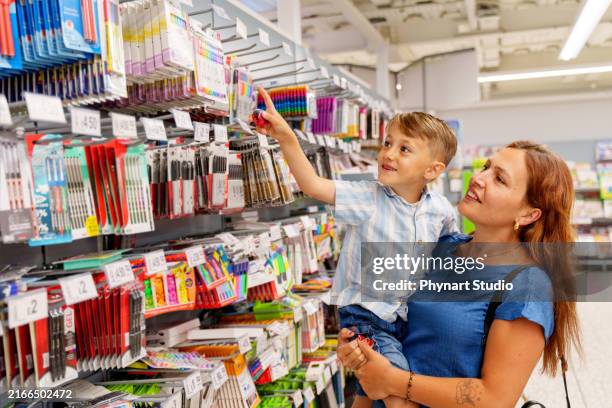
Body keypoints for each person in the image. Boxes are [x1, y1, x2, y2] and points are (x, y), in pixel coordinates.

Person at [337, 141, 582, 408]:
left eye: (499, 179)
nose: (478, 178)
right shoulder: (441, 246)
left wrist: (394, 381)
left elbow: (495, 399)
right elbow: (389, 339)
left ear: (528, 214)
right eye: (486, 167)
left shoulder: (527, 286)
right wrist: (362, 349)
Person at [255, 88, 458, 408]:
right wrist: (287, 139)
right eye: (388, 143)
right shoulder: (368, 198)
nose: (388, 153)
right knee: (398, 392)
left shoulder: (442, 210)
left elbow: (449, 252)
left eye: (404, 148)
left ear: (432, 170)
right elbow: (312, 185)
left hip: (405, 317)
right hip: (366, 316)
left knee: (366, 394)